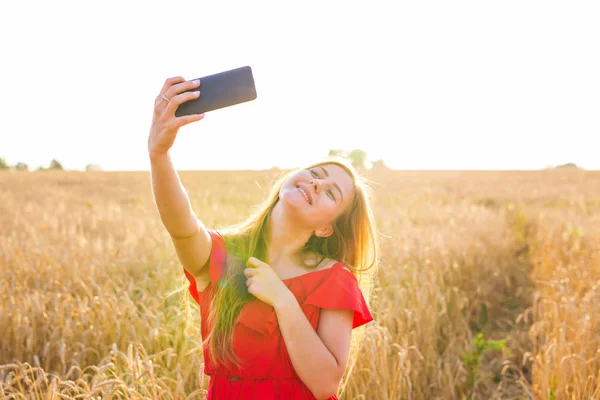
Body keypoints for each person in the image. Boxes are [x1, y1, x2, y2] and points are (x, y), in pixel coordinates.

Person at [148, 76, 379, 399]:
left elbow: (326, 383)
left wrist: (282, 299)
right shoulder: (225, 254)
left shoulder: (334, 279)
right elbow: (182, 227)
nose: (316, 185)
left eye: (331, 193)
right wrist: (159, 154)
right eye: (315, 174)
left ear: (326, 229)